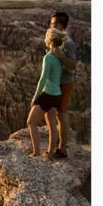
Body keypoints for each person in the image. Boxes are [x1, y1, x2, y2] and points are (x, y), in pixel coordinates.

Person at [26, 28, 67, 158]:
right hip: (57, 94)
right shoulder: (61, 55)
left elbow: (43, 79)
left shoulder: (48, 57)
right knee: (51, 123)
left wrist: (36, 97)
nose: (44, 39)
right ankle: (49, 153)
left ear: (49, 39)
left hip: (47, 94)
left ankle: (36, 153)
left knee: (31, 122)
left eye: (45, 36)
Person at [49, 11, 77, 158]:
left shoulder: (68, 42)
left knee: (61, 113)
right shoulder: (59, 39)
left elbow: (72, 65)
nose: (50, 26)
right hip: (58, 82)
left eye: (52, 24)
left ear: (60, 25)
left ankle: (62, 149)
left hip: (65, 82)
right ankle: (59, 142)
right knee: (57, 114)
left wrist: (61, 57)